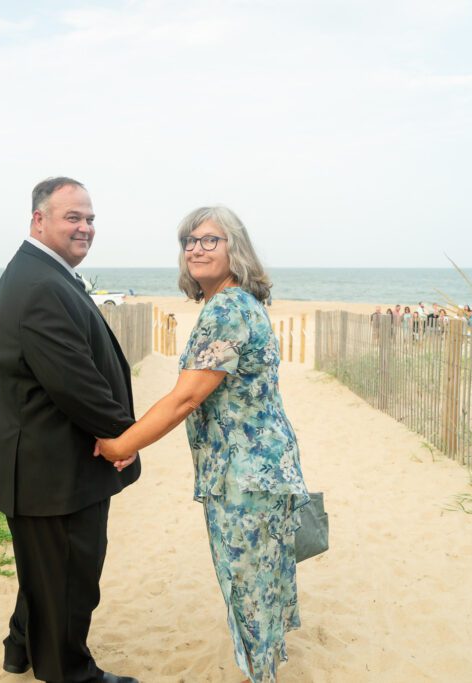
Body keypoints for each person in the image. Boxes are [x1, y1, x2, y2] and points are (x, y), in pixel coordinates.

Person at [96, 206, 310, 683]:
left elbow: (186, 397)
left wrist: (121, 445)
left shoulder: (228, 308)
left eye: (210, 239)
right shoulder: (236, 304)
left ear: (236, 248)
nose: (195, 248)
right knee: (261, 579)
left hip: (247, 474)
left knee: (248, 586)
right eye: (189, 241)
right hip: (261, 467)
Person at [0, 177, 141, 683]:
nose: (85, 227)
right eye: (73, 217)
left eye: (90, 218)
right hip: (54, 470)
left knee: (42, 570)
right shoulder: (42, 282)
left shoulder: (41, 271)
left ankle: (20, 646)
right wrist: (121, 437)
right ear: (38, 220)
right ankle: (71, 672)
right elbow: (73, 381)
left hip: (40, 462)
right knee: (69, 578)